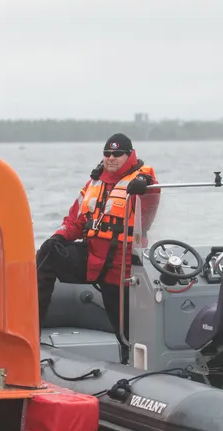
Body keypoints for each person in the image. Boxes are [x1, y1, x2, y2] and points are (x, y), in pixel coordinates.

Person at [37, 133, 160, 363]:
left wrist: (145, 187)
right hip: (92, 259)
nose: (111, 158)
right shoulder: (94, 182)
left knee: (126, 332)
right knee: (47, 252)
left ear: (129, 155)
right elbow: (76, 219)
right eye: (107, 154)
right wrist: (59, 236)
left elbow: (151, 198)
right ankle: (31, 331)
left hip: (121, 269)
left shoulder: (143, 181)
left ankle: (133, 367)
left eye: (117, 154)